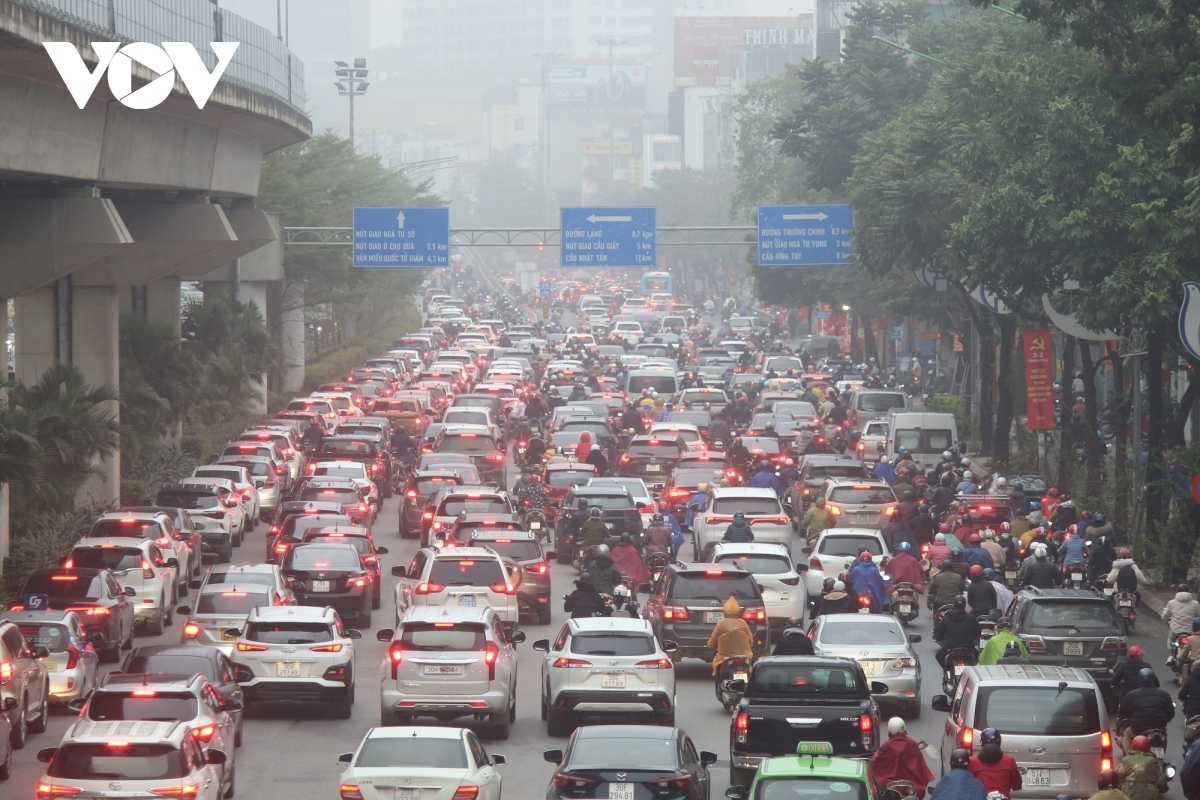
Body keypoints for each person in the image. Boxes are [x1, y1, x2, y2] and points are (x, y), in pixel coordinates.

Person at [868, 718, 935, 799]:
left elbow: (874, 763)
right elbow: (920, 767)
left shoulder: (887, 746)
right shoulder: (912, 743)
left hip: (890, 785)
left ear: (890, 730)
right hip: (912, 786)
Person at [1117, 668, 1176, 754]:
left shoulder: (1131, 695)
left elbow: (1123, 713)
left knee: (1127, 733)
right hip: (1159, 730)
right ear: (1153, 679)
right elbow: (1170, 713)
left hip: (1138, 730)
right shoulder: (1164, 694)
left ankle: (1129, 758)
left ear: (1139, 679)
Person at [707, 596, 754, 682]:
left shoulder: (721, 624)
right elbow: (751, 640)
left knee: (716, 665)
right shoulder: (743, 623)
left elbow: (711, 643)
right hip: (744, 656)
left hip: (724, 657)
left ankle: (719, 684)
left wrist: (710, 644)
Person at [969, 728, 1022, 799]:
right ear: (999, 742)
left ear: (982, 742)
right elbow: (1017, 785)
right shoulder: (1009, 761)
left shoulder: (974, 761)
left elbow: (968, 784)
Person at [1116, 735, 1170, 800]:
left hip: (1127, 796)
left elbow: (1117, 778)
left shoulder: (1125, 760)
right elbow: (1161, 782)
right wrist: (1163, 789)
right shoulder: (1152, 761)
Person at [934, 596, 981, 669]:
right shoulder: (971, 618)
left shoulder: (946, 618)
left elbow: (938, 635)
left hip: (950, 646)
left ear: (954, 605)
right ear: (965, 606)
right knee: (977, 656)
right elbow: (977, 634)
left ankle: (947, 672)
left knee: (939, 656)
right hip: (968, 647)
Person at [1164, 584, 1200, 650]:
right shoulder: (1195, 604)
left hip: (1175, 630)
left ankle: (1170, 657)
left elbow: (1165, 616)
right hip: (1190, 631)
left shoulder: (1171, 603)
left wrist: (1165, 619)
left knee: (1170, 639)